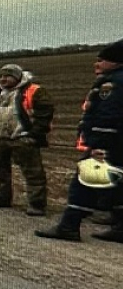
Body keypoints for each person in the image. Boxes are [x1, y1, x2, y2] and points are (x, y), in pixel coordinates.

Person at [36, 38, 123, 242]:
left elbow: (109, 115)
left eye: (101, 60)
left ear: (116, 61)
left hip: (109, 142)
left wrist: (98, 144)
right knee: (117, 184)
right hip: (118, 143)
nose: (97, 64)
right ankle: (120, 227)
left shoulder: (112, 84)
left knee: (84, 182)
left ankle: (69, 225)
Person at [0, 64, 54, 216]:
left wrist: (33, 135)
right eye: (1, 76)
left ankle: (37, 205)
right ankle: (2, 198)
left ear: (17, 76)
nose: (3, 79)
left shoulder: (35, 91)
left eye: (7, 76)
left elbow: (45, 115)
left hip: (22, 137)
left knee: (33, 173)